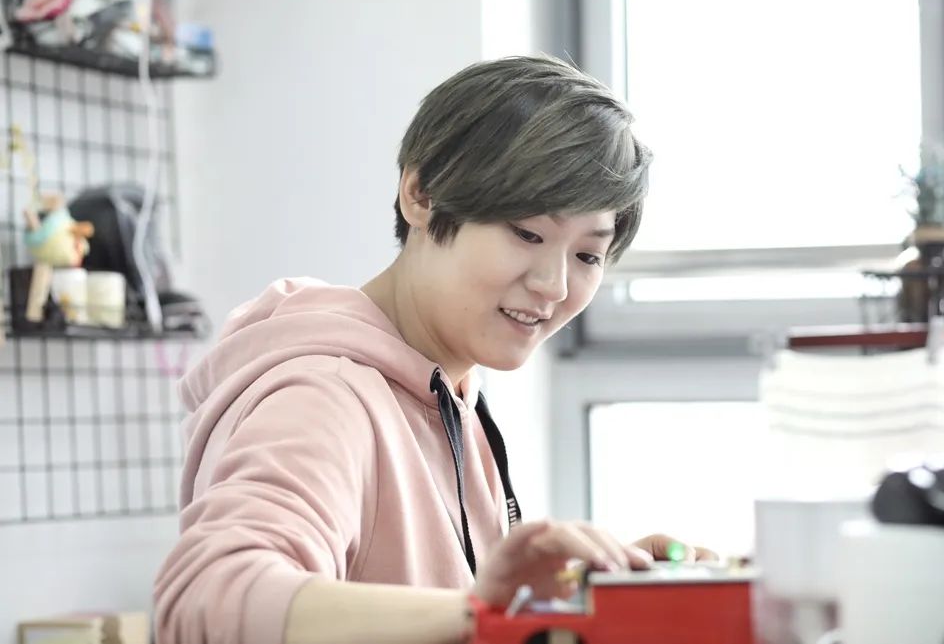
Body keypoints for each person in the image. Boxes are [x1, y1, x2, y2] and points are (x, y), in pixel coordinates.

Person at [153, 55, 715, 644]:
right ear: (420, 195)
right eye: (527, 233)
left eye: (587, 256)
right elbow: (205, 603)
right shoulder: (324, 395)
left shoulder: (448, 391)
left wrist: (577, 601)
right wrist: (482, 614)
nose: (554, 285)